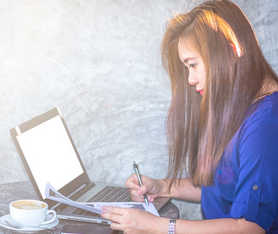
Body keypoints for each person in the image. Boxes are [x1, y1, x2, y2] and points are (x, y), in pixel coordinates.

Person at [100, 0, 278, 233]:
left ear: (232, 52)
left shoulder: (266, 122)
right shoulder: (238, 103)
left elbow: (250, 228)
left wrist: (159, 226)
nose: (190, 79)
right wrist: (162, 186)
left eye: (193, 65)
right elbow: (222, 186)